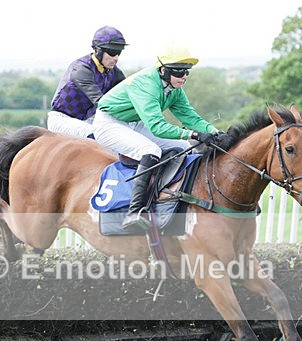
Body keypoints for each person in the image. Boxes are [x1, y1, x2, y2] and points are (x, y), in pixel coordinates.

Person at [92, 43, 231, 230]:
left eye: (187, 72)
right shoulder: (146, 84)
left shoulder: (174, 90)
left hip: (135, 122)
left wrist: (215, 133)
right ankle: (134, 212)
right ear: (163, 70)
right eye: (179, 72)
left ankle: (167, 197)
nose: (184, 77)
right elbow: (157, 126)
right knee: (150, 150)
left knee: (182, 147)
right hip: (109, 123)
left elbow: (190, 117)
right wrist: (194, 134)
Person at [47, 26, 128, 139]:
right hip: (62, 120)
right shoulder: (81, 69)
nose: (116, 58)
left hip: (87, 121)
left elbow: (128, 94)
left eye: (118, 52)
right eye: (112, 52)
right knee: (103, 137)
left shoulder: (115, 72)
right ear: (97, 50)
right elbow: (101, 102)